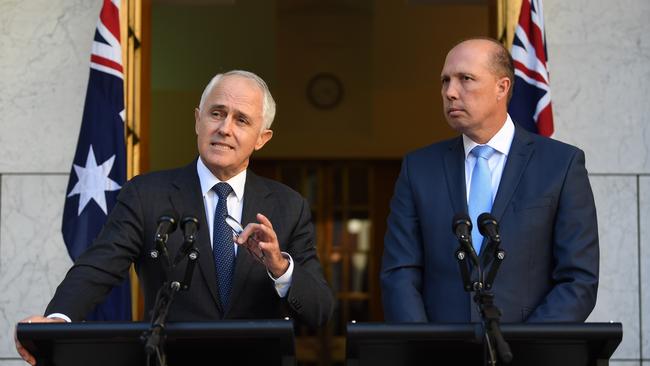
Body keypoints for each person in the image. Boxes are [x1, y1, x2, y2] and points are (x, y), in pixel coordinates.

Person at [16, 70, 334, 364]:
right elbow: (99, 266)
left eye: (241, 120)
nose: (224, 128)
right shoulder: (146, 194)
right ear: (198, 120)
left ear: (262, 138)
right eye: (217, 113)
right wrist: (57, 320)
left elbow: (320, 309)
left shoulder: (288, 207)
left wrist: (280, 267)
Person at [381, 38, 599, 323]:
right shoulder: (419, 168)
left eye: (466, 79)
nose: (450, 92)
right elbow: (400, 272)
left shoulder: (561, 165)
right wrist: (425, 346)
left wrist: (528, 346)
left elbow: (578, 278)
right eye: (445, 81)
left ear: (502, 87)